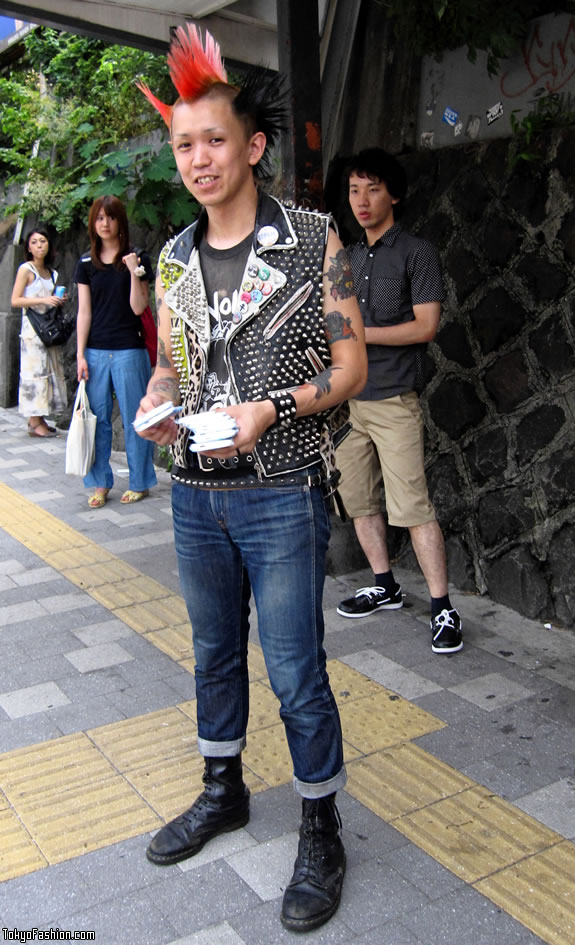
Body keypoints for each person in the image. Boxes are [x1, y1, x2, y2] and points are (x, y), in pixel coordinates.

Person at [135, 25, 367, 933]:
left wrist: (271, 408)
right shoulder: (173, 258)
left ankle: (321, 822)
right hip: (195, 495)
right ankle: (222, 788)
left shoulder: (312, 238)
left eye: (215, 140)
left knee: (299, 671)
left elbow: (348, 371)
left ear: (254, 146)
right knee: (211, 655)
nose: (199, 158)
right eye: (184, 143)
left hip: (281, 492)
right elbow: (171, 366)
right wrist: (157, 403)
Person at [335, 147, 463, 655]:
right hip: (347, 401)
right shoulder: (344, 255)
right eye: (353, 190)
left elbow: (427, 326)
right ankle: (384, 583)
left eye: (372, 189)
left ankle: (442, 606)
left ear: (395, 194)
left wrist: (361, 335)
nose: (361, 201)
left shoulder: (417, 252)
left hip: (393, 399)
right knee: (360, 501)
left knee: (412, 505)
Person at [74, 196, 157, 508]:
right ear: (93, 224)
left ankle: (140, 482)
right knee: (96, 420)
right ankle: (99, 482)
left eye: (110, 218)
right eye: (99, 218)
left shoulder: (139, 257)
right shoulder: (85, 263)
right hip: (95, 352)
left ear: (121, 221)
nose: (104, 223)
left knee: (136, 419)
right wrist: (81, 354)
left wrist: (135, 272)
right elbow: (84, 312)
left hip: (129, 351)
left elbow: (139, 306)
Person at [11, 227, 68, 437]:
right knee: (34, 374)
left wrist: (58, 301)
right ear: (28, 247)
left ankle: (39, 418)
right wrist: (44, 300)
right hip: (33, 329)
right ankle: (34, 422)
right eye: (34, 242)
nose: (39, 246)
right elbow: (15, 300)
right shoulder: (26, 269)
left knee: (48, 373)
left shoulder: (52, 273)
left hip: (49, 328)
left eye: (42, 241)